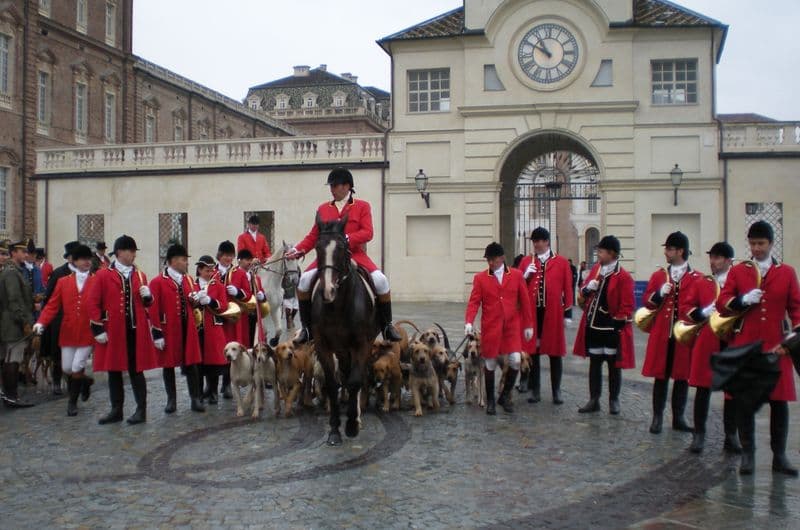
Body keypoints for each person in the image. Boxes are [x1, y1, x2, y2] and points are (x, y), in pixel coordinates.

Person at [717, 220, 800, 475]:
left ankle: (780, 456)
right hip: (746, 346)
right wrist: (742, 300)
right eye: (753, 244)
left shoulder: (786, 272)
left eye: (761, 244)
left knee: (779, 403)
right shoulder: (739, 271)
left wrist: (792, 342)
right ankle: (748, 456)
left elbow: (796, 310)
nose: (757, 248)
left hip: (777, 347)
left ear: (771, 243)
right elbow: (722, 303)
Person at [286, 167, 401, 344]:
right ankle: (307, 328)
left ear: (347, 186)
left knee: (381, 281)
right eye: (331, 186)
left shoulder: (362, 206)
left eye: (335, 185)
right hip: (327, 258)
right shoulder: (323, 208)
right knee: (303, 282)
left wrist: (347, 238)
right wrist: (298, 250)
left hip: (354, 255)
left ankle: (387, 325)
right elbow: (314, 235)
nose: (332, 189)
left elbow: (368, 232)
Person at [87, 235, 159, 425]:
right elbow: (93, 302)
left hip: (136, 329)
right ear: (119, 252)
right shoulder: (103, 275)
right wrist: (97, 327)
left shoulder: (140, 275)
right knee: (114, 370)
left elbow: (147, 305)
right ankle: (116, 409)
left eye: (134, 251)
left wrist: (149, 297)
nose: (134, 255)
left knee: (137, 370)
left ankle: (141, 410)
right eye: (131, 251)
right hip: (114, 329)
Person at [680, 242, 741, 454]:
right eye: (712, 257)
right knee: (702, 389)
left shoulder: (739, 283)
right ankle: (699, 435)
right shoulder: (702, 283)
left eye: (718, 258)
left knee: (732, 391)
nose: (713, 262)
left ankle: (731, 436)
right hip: (708, 341)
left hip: (732, 341)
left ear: (729, 260)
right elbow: (687, 307)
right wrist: (703, 312)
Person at [641, 231, 701, 434]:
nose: (666, 252)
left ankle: (679, 417)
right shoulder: (659, 276)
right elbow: (647, 302)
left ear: (680, 251)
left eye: (670, 249)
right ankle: (657, 417)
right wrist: (659, 294)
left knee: (682, 377)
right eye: (666, 249)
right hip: (662, 334)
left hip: (683, 335)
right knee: (661, 375)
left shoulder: (696, 278)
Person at [465, 242, 533, 415]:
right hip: (491, 327)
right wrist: (469, 322)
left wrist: (528, 325)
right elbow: (474, 302)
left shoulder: (517, 275)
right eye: (488, 260)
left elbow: (525, 301)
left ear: (502, 258)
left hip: (511, 327)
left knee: (516, 360)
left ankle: (504, 395)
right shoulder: (480, 278)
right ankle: (491, 402)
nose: (490, 263)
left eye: (493, 259)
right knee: (490, 363)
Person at [573, 235, 635, 414]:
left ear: (612, 253)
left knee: (613, 366)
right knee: (595, 364)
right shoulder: (596, 271)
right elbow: (583, 295)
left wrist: (618, 325)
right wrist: (587, 288)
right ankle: (594, 399)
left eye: (601, 251)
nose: (598, 254)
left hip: (611, 328)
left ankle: (614, 399)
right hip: (594, 326)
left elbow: (627, 306)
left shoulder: (623, 277)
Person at [33, 244, 96, 416]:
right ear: (74, 261)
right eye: (83, 259)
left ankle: (72, 403)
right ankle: (85, 381)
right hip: (67, 331)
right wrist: (41, 323)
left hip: (87, 332)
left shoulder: (96, 281)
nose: (87, 262)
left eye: (88, 259)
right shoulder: (63, 282)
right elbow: (52, 306)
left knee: (77, 366)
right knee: (67, 368)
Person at [517, 227, 572, 405]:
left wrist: (568, 313)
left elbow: (568, 289)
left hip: (553, 314)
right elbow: (517, 290)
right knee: (533, 353)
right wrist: (524, 277)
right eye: (535, 241)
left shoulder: (561, 262)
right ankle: (535, 390)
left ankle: (556, 391)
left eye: (540, 241)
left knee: (555, 354)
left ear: (547, 242)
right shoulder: (526, 262)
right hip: (532, 315)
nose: (537, 244)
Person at [149, 244, 205, 414]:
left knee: (192, 364)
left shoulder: (187, 280)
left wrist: (196, 298)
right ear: (173, 261)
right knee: (168, 365)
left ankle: (195, 398)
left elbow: (192, 302)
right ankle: (171, 400)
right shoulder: (158, 281)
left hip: (188, 328)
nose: (186, 263)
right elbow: (152, 309)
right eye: (183, 260)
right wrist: (157, 332)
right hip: (169, 329)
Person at [42, 240, 80, 395]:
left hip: (78, 320)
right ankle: (57, 381)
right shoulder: (58, 273)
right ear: (69, 258)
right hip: (60, 320)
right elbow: (48, 298)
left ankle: (74, 384)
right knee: (58, 353)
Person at [0, 240, 35, 408]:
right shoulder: (11, 273)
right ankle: (11, 396)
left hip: (11, 320)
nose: (25, 255)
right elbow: (14, 300)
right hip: (13, 322)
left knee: (11, 358)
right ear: (14, 253)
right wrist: (24, 321)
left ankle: (10, 395)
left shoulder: (15, 271)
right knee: (12, 359)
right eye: (22, 252)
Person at [215, 240, 250, 399]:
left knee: (232, 351)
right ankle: (212, 386)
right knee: (216, 352)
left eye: (231, 255)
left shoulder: (240, 273)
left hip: (234, 318)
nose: (228, 258)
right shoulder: (212, 272)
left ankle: (227, 384)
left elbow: (248, 295)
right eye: (225, 255)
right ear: (219, 256)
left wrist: (238, 292)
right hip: (216, 317)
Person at [194, 255, 228, 404]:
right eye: (207, 270)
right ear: (200, 270)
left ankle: (213, 391)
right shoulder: (192, 284)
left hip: (213, 327)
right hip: (196, 329)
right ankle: (199, 392)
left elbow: (224, 306)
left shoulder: (218, 286)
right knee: (198, 363)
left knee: (213, 362)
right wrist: (194, 299)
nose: (210, 273)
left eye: (211, 270)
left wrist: (211, 301)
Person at [237, 249, 267, 348]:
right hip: (242, 313)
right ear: (239, 260)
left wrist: (262, 296)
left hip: (254, 314)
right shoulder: (235, 274)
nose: (249, 262)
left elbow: (262, 294)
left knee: (253, 341)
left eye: (250, 260)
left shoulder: (255, 277)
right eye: (246, 260)